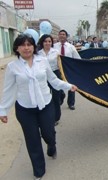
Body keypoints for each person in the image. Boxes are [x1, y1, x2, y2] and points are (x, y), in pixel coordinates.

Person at [0, 34, 77, 179]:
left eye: (29, 44)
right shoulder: (12, 67)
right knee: (32, 140)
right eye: (23, 45)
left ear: (34, 47)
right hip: (25, 109)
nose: (26, 48)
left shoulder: (42, 61)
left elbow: (53, 80)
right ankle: (39, 171)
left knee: (48, 133)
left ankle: (51, 145)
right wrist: (3, 110)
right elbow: (9, 90)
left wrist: (68, 86)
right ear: (17, 48)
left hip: (46, 105)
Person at [38, 34, 63, 126]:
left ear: (52, 42)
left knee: (56, 97)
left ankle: (56, 118)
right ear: (42, 42)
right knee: (45, 97)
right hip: (43, 77)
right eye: (45, 41)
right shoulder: (38, 53)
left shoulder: (56, 52)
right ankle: (46, 117)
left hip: (55, 74)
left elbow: (61, 64)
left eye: (49, 41)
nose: (47, 43)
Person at [54, 29, 81, 110]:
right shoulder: (54, 46)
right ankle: (61, 96)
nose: (62, 36)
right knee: (58, 86)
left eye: (63, 34)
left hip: (69, 70)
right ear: (58, 36)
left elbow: (77, 58)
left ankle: (71, 103)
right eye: (60, 34)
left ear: (66, 36)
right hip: (57, 70)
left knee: (71, 87)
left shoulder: (71, 47)